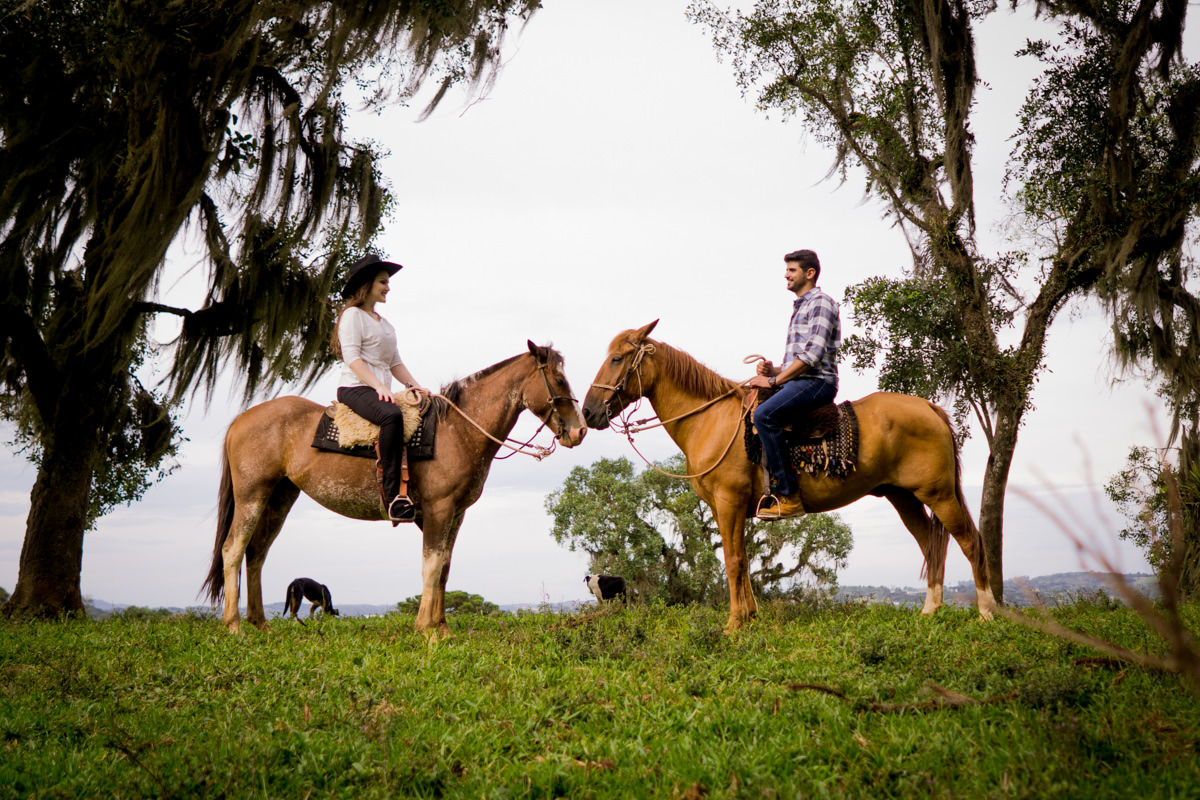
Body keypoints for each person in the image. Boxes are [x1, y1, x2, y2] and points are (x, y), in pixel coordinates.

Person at [745, 249, 842, 520]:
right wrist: (773, 369)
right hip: (800, 380)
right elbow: (798, 360)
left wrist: (773, 380)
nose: (786, 275)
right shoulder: (801, 306)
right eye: (786, 270)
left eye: (792, 270)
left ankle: (788, 495)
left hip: (817, 382)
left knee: (764, 416)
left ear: (809, 274)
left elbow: (812, 356)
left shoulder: (821, 302)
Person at [331, 253, 428, 522]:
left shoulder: (385, 325)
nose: (388, 287)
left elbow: (395, 363)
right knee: (392, 415)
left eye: (387, 283)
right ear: (367, 284)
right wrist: (377, 386)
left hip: (377, 390)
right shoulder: (352, 315)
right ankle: (394, 496)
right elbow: (352, 358)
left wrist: (416, 387)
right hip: (356, 388)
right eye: (383, 282)